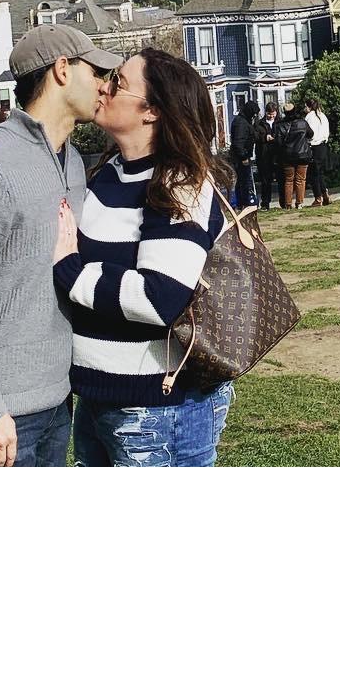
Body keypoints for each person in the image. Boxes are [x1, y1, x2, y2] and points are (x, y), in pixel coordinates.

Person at [0, 24, 117, 468]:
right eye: (96, 72)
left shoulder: (70, 161)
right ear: (63, 70)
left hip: (55, 400)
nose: (104, 86)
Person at [54, 48, 236, 468]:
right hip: (98, 399)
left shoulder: (179, 183)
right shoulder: (108, 173)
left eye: (118, 82)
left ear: (152, 111)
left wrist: (69, 271)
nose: (104, 87)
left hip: (158, 409)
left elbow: (159, 297)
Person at [277, 100, 313, 209]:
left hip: (287, 156)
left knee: (289, 180)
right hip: (302, 154)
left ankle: (288, 204)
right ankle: (299, 203)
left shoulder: (280, 125)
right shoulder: (302, 123)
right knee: (300, 179)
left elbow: (279, 142)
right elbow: (311, 134)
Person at [229, 100, 259, 206]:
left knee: (242, 181)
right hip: (241, 158)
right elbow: (238, 142)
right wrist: (244, 157)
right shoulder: (241, 123)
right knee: (244, 181)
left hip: (241, 155)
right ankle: (245, 202)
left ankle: (243, 202)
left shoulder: (242, 121)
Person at [304, 96, 332, 206]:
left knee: (313, 174)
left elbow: (309, 133)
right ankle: (325, 194)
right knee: (319, 172)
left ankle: (318, 197)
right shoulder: (323, 116)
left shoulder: (309, 117)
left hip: (314, 146)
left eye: (305, 106)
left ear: (309, 107)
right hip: (323, 146)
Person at [254, 101, 281, 209]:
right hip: (263, 155)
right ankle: (265, 203)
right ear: (266, 113)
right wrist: (264, 138)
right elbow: (255, 136)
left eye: (273, 114)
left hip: (277, 155)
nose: (271, 116)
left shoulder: (279, 122)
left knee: (281, 178)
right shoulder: (259, 124)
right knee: (265, 180)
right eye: (269, 114)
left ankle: (284, 202)